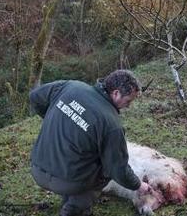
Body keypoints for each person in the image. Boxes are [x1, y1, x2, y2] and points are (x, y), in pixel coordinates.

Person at [29, 70, 151, 216]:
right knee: (105, 170)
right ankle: (76, 208)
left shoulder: (70, 86)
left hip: (37, 167)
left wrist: (51, 117)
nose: (128, 106)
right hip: (66, 181)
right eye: (128, 101)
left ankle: (68, 193)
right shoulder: (111, 125)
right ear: (116, 93)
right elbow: (118, 169)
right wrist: (138, 185)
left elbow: (35, 96)